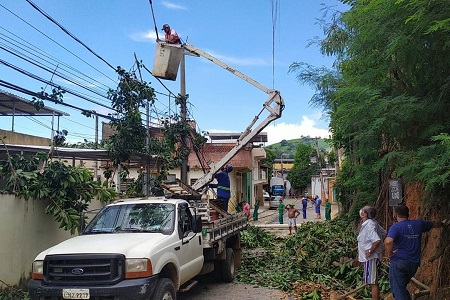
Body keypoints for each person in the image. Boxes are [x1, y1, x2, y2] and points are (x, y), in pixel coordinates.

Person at [384, 204, 445, 300]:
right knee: (402, 289)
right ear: (408, 213)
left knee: (398, 291)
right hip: (414, 264)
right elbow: (434, 224)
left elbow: (388, 241)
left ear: (395, 215)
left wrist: (390, 254)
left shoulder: (395, 227)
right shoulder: (418, 224)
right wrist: (443, 223)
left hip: (399, 263)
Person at [357, 206, 386, 300]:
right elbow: (384, 233)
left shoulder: (369, 225)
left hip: (372, 258)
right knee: (371, 281)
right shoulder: (372, 223)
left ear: (364, 214)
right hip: (371, 257)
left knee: (373, 282)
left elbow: (377, 240)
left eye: (362, 210)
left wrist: (370, 251)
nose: (361, 211)